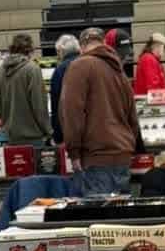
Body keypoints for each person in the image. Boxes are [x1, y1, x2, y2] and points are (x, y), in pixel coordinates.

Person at [58, 26, 140, 194]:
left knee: (98, 217)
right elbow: (132, 116)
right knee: (120, 217)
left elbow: (71, 112)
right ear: (103, 43)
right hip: (122, 154)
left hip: (96, 157)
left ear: (81, 46)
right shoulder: (118, 70)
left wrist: (74, 152)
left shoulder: (79, 66)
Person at [0, 32, 51, 148]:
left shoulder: (0, 71)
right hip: (32, 137)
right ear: (30, 50)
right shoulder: (32, 69)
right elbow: (39, 104)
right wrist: (48, 130)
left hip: (9, 138)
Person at [49, 32, 79, 144]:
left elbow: (56, 104)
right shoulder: (90, 64)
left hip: (69, 128)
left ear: (61, 51)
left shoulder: (60, 70)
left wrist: (57, 136)